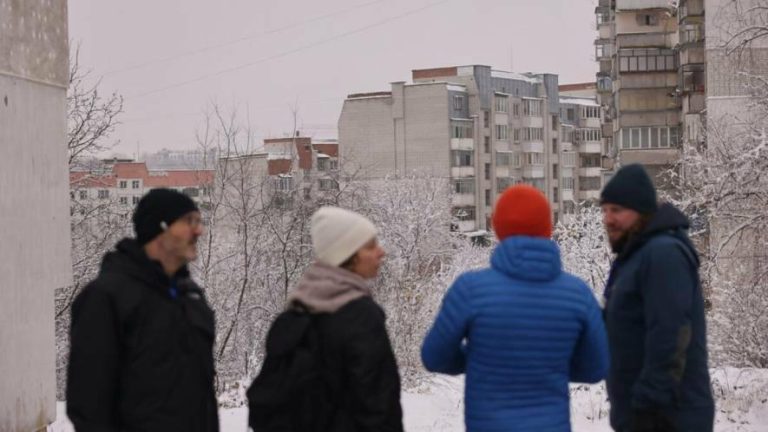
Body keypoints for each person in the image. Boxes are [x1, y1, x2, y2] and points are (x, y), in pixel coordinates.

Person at [421, 184, 609, 432]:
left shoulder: (470, 290)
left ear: (497, 228)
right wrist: (550, 364)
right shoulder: (577, 294)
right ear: (548, 228)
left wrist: (481, 359)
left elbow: (434, 357)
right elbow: (596, 368)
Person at [67, 188, 219, 432]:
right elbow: (89, 405)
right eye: (188, 221)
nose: (198, 231)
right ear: (160, 228)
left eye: (199, 221)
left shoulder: (191, 298)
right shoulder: (106, 298)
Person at [600, 164, 714, 432]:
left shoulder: (663, 254)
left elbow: (672, 331)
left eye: (616, 210)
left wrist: (649, 404)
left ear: (641, 212)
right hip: (647, 414)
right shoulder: (635, 257)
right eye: (604, 210)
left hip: (667, 417)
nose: (607, 218)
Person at [278, 206, 403, 431]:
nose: (381, 252)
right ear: (350, 255)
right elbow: (378, 403)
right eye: (371, 246)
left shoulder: (294, 313)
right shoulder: (361, 316)